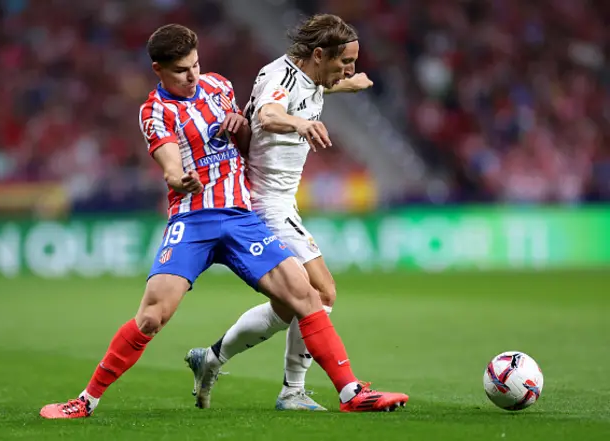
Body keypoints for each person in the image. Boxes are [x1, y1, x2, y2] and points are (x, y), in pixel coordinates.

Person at [39, 23, 408, 419]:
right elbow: (168, 163)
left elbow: (249, 136)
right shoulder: (155, 110)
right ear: (158, 70)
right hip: (192, 219)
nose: (193, 75)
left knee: (307, 296)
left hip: (240, 216)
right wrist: (180, 177)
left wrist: (241, 126)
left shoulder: (219, 86)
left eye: (196, 65)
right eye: (182, 70)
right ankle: (85, 401)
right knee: (151, 316)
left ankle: (349, 391)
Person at [185, 14, 407, 412]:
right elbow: (269, 114)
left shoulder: (311, 76)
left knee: (289, 306)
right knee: (322, 291)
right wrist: (301, 125)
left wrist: (348, 84)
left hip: (281, 201)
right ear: (319, 54)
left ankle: (213, 358)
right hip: (265, 204)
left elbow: (316, 87)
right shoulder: (280, 79)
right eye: (344, 63)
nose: (349, 69)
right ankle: (296, 391)